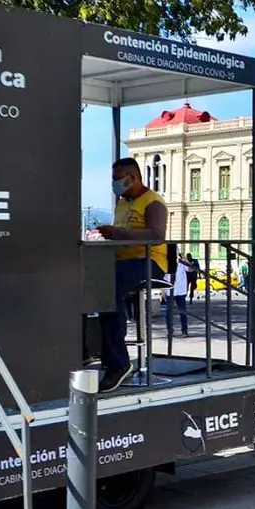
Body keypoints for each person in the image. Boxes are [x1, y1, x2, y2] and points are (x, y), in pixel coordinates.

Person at [96, 157, 168, 392]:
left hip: (150, 260)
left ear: (133, 178)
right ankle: (96, 352)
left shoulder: (153, 202)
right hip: (123, 260)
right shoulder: (122, 201)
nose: (115, 184)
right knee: (94, 281)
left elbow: (156, 235)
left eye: (118, 180)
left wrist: (119, 233)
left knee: (111, 284)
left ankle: (119, 363)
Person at [163, 256, 190, 337]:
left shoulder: (182, 264)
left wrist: (186, 260)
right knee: (168, 313)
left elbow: (190, 269)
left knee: (183, 312)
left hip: (180, 291)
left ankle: (184, 330)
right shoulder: (165, 263)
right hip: (169, 291)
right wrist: (162, 290)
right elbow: (162, 277)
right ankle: (170, 330)